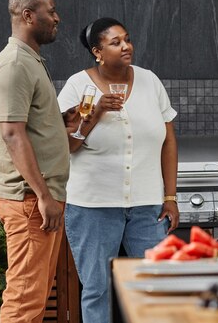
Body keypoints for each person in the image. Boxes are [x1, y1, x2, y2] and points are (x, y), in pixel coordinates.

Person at [57, 17, 179, 323]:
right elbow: (66, 147)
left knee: (154, 284)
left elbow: (168, 141)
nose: (126, 46)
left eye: (127, 39)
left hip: (147, 206)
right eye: (115, 42)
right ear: (98, 51)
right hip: (92, 206)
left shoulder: (150, 81)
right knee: (98, 289)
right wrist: (96, 112)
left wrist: (171, 196)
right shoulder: (76, 86)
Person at [0, 0, 71, 323]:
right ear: (27, 16)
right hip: (29, 200)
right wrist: (43, 195)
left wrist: (59, 121)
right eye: (50, 11)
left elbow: (27, 125)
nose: (56, 18)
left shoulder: (31, 60)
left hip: (39, 199)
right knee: (24, 301)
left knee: (34, 298)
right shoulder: (15, 64)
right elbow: (11, 134)